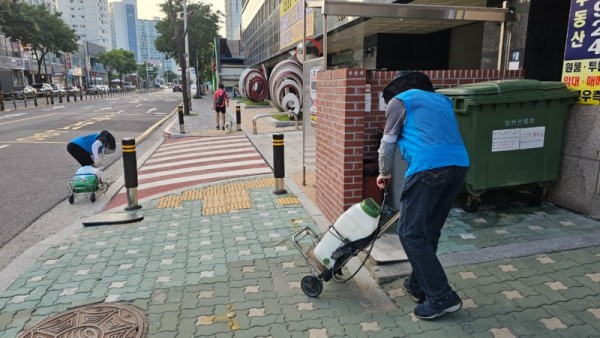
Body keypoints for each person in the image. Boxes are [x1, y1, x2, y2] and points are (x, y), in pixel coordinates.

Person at [376, 72, 469, 320]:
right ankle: (419, 285)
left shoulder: (399, 102)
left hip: (429, 166)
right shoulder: (442, 101)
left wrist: (384, 172)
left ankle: (441, 295)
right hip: (459, 165)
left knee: (410, 232)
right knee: (428, 232)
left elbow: (387, 143)